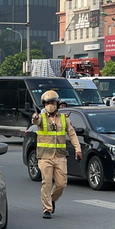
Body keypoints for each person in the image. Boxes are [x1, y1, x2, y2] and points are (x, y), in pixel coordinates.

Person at [31, 90, 82, 219]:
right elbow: (35, 121)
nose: (50, 105)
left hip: (60, 156)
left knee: (62, 183)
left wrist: (78, 149)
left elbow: (72, 134)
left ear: (57, 104)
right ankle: (47, 209)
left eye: (52, 102)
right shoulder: (41, 118)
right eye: (47, 103)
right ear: (44, 105)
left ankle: (52, 198)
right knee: (46, 182)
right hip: (45, 157)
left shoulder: (64, 119)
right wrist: (35, 117)